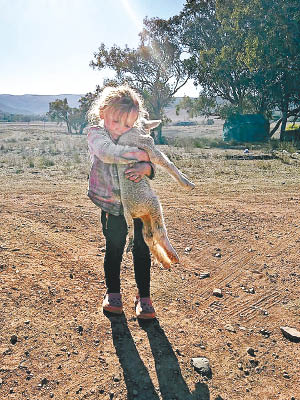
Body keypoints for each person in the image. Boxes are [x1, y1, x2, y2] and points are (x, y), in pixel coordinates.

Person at [87, 85, 156, 319]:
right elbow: (107, 153)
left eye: (129, 125)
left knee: (142, 247)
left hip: (137, 203)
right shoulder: (96, 134)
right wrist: (139, 155)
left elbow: (151, 162)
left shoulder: (134, 134)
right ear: (103, 112)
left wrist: (147, 166)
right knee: (114, 246)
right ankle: (113, 293)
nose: (122, 130)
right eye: (117, 122)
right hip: (111, 203)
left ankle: (143, 297)